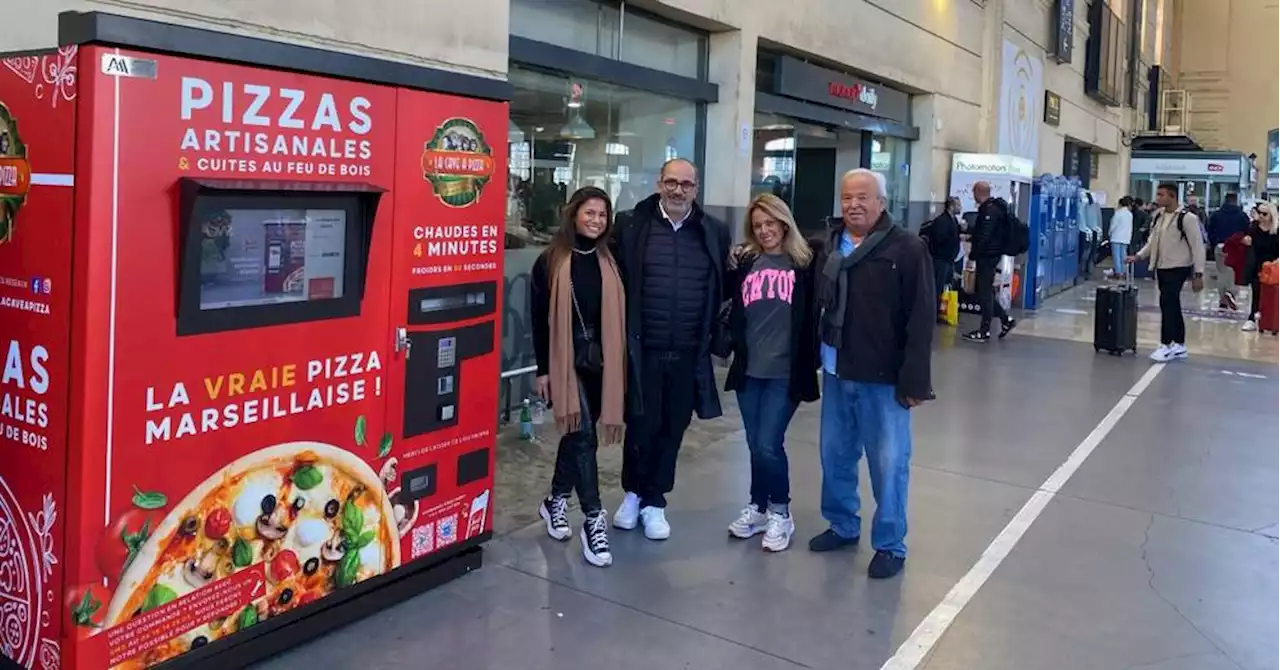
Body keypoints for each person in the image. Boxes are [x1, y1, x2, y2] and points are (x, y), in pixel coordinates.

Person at [809, 169, 934, 579]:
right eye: (846, 198)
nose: (853, 205)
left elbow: (920, 318)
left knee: (889, 464)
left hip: (884, 379)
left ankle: (890, 544)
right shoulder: (830, 245)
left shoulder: (907, 249)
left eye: (863, 197)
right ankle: (843, 525)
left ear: (882, 202)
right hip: (837, 369)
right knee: (835, 456)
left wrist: (915, 380)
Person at [612, 158, 731, 540]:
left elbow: (725, 284)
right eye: (671, 182)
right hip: (642, 350)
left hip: (687, 352)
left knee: (673, 427)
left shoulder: (713, 231)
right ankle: (632, 494)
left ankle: (655, 501)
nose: (678, 190)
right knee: (640, 425)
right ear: (659, 183)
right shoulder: (632, 225)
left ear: (696, 189)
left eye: (686, 184)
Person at [531, 187, 628, 567]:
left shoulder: (611, 258)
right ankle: (592, 519)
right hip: (564, 360)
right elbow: (539, 320)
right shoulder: (551, 260)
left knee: (575, 436)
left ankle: (554, 500)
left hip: (601, 362)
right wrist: (542, 369)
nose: (596, 221)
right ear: (574, 215)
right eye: (590, 213)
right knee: (584, 434)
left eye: (603, 215)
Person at [723, 194, 820, 553]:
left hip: (785, 372)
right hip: (750, 369)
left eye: (770, 223)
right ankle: (759, 507)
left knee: (768, 443)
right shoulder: (747, 261)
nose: (765, 231)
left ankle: (781, 512)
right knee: (754, 444)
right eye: (758, 225)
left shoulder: (805, 262)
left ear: (784, 223)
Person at [1127, 183, 1206, 362]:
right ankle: (1179, 344)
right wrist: (1138, 256)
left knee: (1167, 302)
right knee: (1172, 305)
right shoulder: (1158, 216)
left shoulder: (1187, 218)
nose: (1158, 198)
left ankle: (1166, 344)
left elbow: (1198, 247)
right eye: (1157, 194)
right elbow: (1152, 241)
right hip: (1161, 267)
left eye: (1161, 195)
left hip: (1178, 267)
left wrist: (1198, 273)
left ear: (1172, 196)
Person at [963, 181, 1017, 342]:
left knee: (984, 293)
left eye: (973, 192)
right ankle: (1005, 320)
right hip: (992, 255)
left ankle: (984, 330)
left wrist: (972, 257)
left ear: (979, 192)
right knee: (986, 292)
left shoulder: (989, 210)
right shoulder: (993, 208)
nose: (973, 196)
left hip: (987, 257)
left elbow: (984, 237)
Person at [920, 197, 963, 322]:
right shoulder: (942, 221)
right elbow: (939, 240)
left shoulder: (953, 220)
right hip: (940, 259)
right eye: (958, 205)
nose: (960, 208)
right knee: (937, 287)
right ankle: (932, 314)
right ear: (951, 206)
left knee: (945, 285)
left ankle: (941, 310)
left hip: (948, 260)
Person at [1207, 192, 1250, 311]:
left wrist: (1214, 242)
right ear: (1235, 200)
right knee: (1234, 273)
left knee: (1222, 273)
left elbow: (1209, 229)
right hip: (1236, 248)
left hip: (1220, 245)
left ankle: (1222, 299)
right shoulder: (1242, 216)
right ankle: (1230, 293)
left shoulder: (1216, 215)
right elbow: (1247, 231)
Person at [1241, 202, 1280, 332]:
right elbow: (1245, 237)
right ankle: (1252, 317)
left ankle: (1273, 319)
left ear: (1271, 215)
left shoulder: (1277, 230)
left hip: (1274, 266)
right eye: (1259, 213)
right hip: (1257, 265)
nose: (1261, 216)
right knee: (1256, 291)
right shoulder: (1254, 227)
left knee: (1274, 293)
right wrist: (1246, 240)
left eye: (1265, 213)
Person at [1109, 196, 1134, 280]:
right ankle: (1124, 272)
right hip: (1126, 238)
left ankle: (1118, 272)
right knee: (1123, 255)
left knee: (1116, 255)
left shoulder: (1118, 213)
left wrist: (1109, 233)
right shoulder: (1129, 214)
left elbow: (1113, 225)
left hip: (1116, 237)